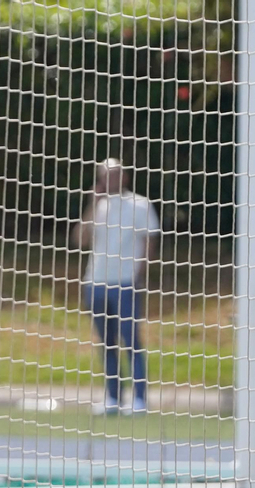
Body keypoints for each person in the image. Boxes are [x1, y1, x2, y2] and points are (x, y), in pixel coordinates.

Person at [76, 159, 161, 415]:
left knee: (131, 340)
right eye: (105, 175)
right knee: (106, 342)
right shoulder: (98, 208)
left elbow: (150, 241)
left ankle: (139, 398)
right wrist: (92, 203)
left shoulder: (140, 204)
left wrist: (138, 274)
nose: (110, 180)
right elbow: (79, 240)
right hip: (96, 282)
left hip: (125, 283)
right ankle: (112, 397)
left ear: (124, 177)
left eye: (115, 175)